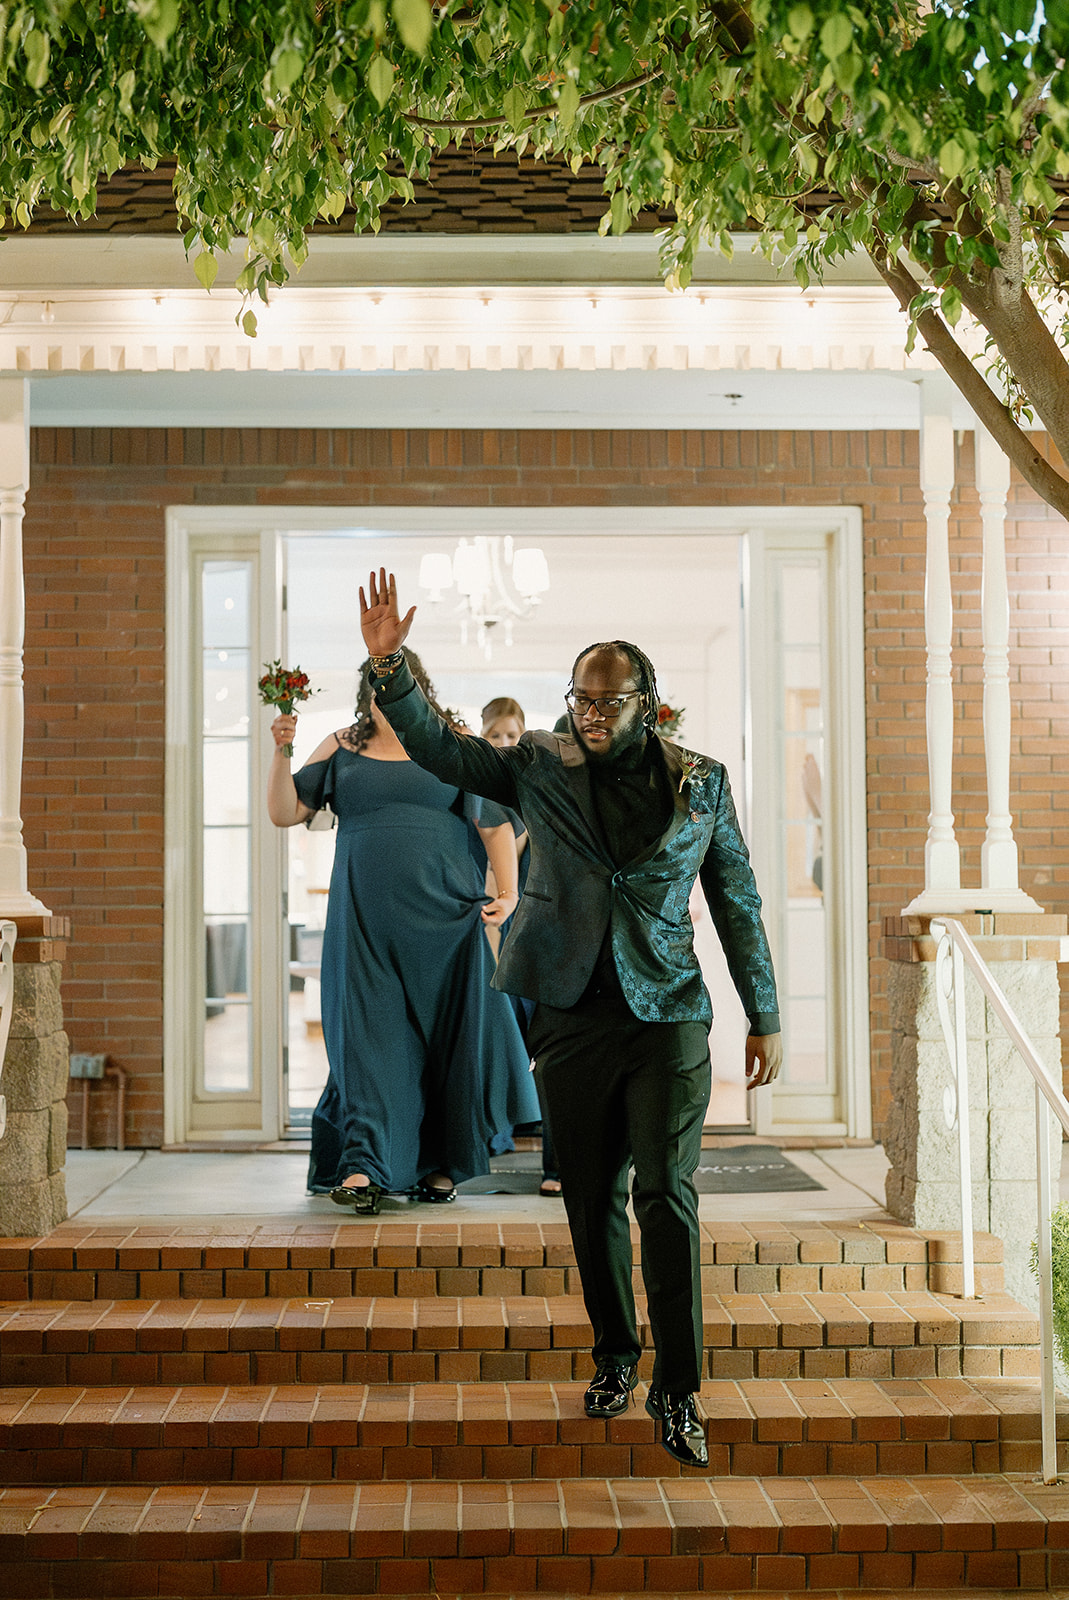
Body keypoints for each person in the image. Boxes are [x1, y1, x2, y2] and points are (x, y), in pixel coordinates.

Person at [358, 569, 782, 1468]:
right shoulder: (538, 766)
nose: (591, 713)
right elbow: (445, 751)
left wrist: (763, 1013)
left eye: (608, 699)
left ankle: (679, 1392)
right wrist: (390, 666)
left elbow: (735, 896)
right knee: (590, 1198)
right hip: (566, 1014)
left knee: (665, 1198)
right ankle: (615, 1358)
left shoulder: (700, 783)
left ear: (646, 701)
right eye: (580, 699)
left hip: (667, 1010)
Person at [267, 648, 540, 1214]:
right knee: (367, 1042)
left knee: (446, 1045)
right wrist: (281, 749)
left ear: (418, 688)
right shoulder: (343, 746)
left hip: (445, 922)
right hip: (363, 923)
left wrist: (509, 893)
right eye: (377, 685)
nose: (385, 695)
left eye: (398, 685)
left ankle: (442, 1165)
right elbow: (284, 811)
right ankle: (365, 1165)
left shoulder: (453, 742)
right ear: (367, 690)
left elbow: (493, 820)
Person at [481, 697, 561, 1198]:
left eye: (513, 735)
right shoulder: (483, 795)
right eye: (496, 736)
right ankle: (499, 1131)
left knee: (551, 1047)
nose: (506, 744)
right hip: (501, 939)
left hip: (547, 937)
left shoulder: (540, 789)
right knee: (503, 1041)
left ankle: (556, 1161)